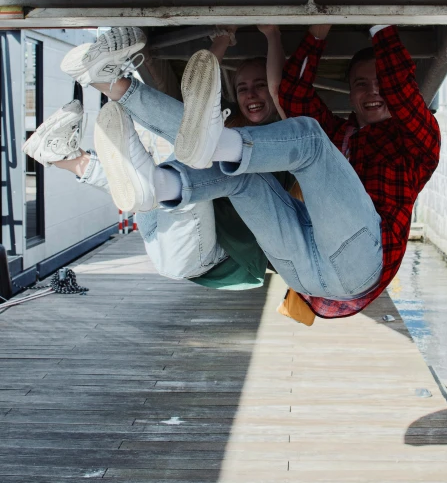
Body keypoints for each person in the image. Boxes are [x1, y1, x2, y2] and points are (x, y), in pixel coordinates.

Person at [50, 22, 440, 320]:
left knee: (307, 137)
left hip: (360, 268)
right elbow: (293, 94)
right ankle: (149, 161)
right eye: (361, 84)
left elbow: (404, 92)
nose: (373, 92)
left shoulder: (419, 141)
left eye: (380, 84)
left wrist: (381, 27)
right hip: (304, 277)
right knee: (246, 179)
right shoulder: (344, 134)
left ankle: (207, 139)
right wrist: (315, 39)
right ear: (350, 93)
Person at [22, 26, 289, 290]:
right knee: (192, 139)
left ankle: (105, 80)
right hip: (158, 221)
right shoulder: (231, 127)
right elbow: (199, 90)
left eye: (260, 85)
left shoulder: (284, 139)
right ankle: (64, 155)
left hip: (208, 256)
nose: (251, 94)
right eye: (242, 88)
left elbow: (279, 93)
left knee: (199, 152)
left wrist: (273, 35)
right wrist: (221, 39)